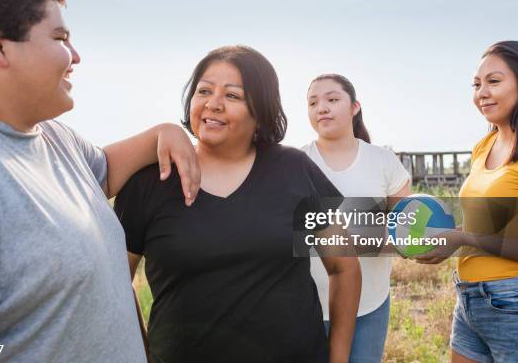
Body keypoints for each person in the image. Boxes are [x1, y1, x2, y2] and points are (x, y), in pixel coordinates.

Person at [0, 0, 199, 362]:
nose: (75, 56)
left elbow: (104, 169)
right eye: (60, 37)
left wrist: (164, 130)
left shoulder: (54, 137)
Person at [114, 45, 362, 362]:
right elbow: (116, 281)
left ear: (260, 109)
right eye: (204, 91)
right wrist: (143, 355)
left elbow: (344, 267)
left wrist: (338, 360)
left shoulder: (293, 170)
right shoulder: (150, 181)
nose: (213, 104)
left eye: (232, 96)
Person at [415, 41, 518, 363]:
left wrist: (463, 238)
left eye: (494, 81)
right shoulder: (484, 146)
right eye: (476, 84)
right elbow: (493, 230)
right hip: (470, 297)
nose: (481, 92)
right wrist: (449, 236)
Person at [303, 74, 411, 362]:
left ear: (354, 107)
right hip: (307, 305)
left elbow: (406, 236)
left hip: (371, 304)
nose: (321, 108)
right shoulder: (295, 163)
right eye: (313, 102)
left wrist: (346, 239)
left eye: (332, 99)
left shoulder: (384, 161)